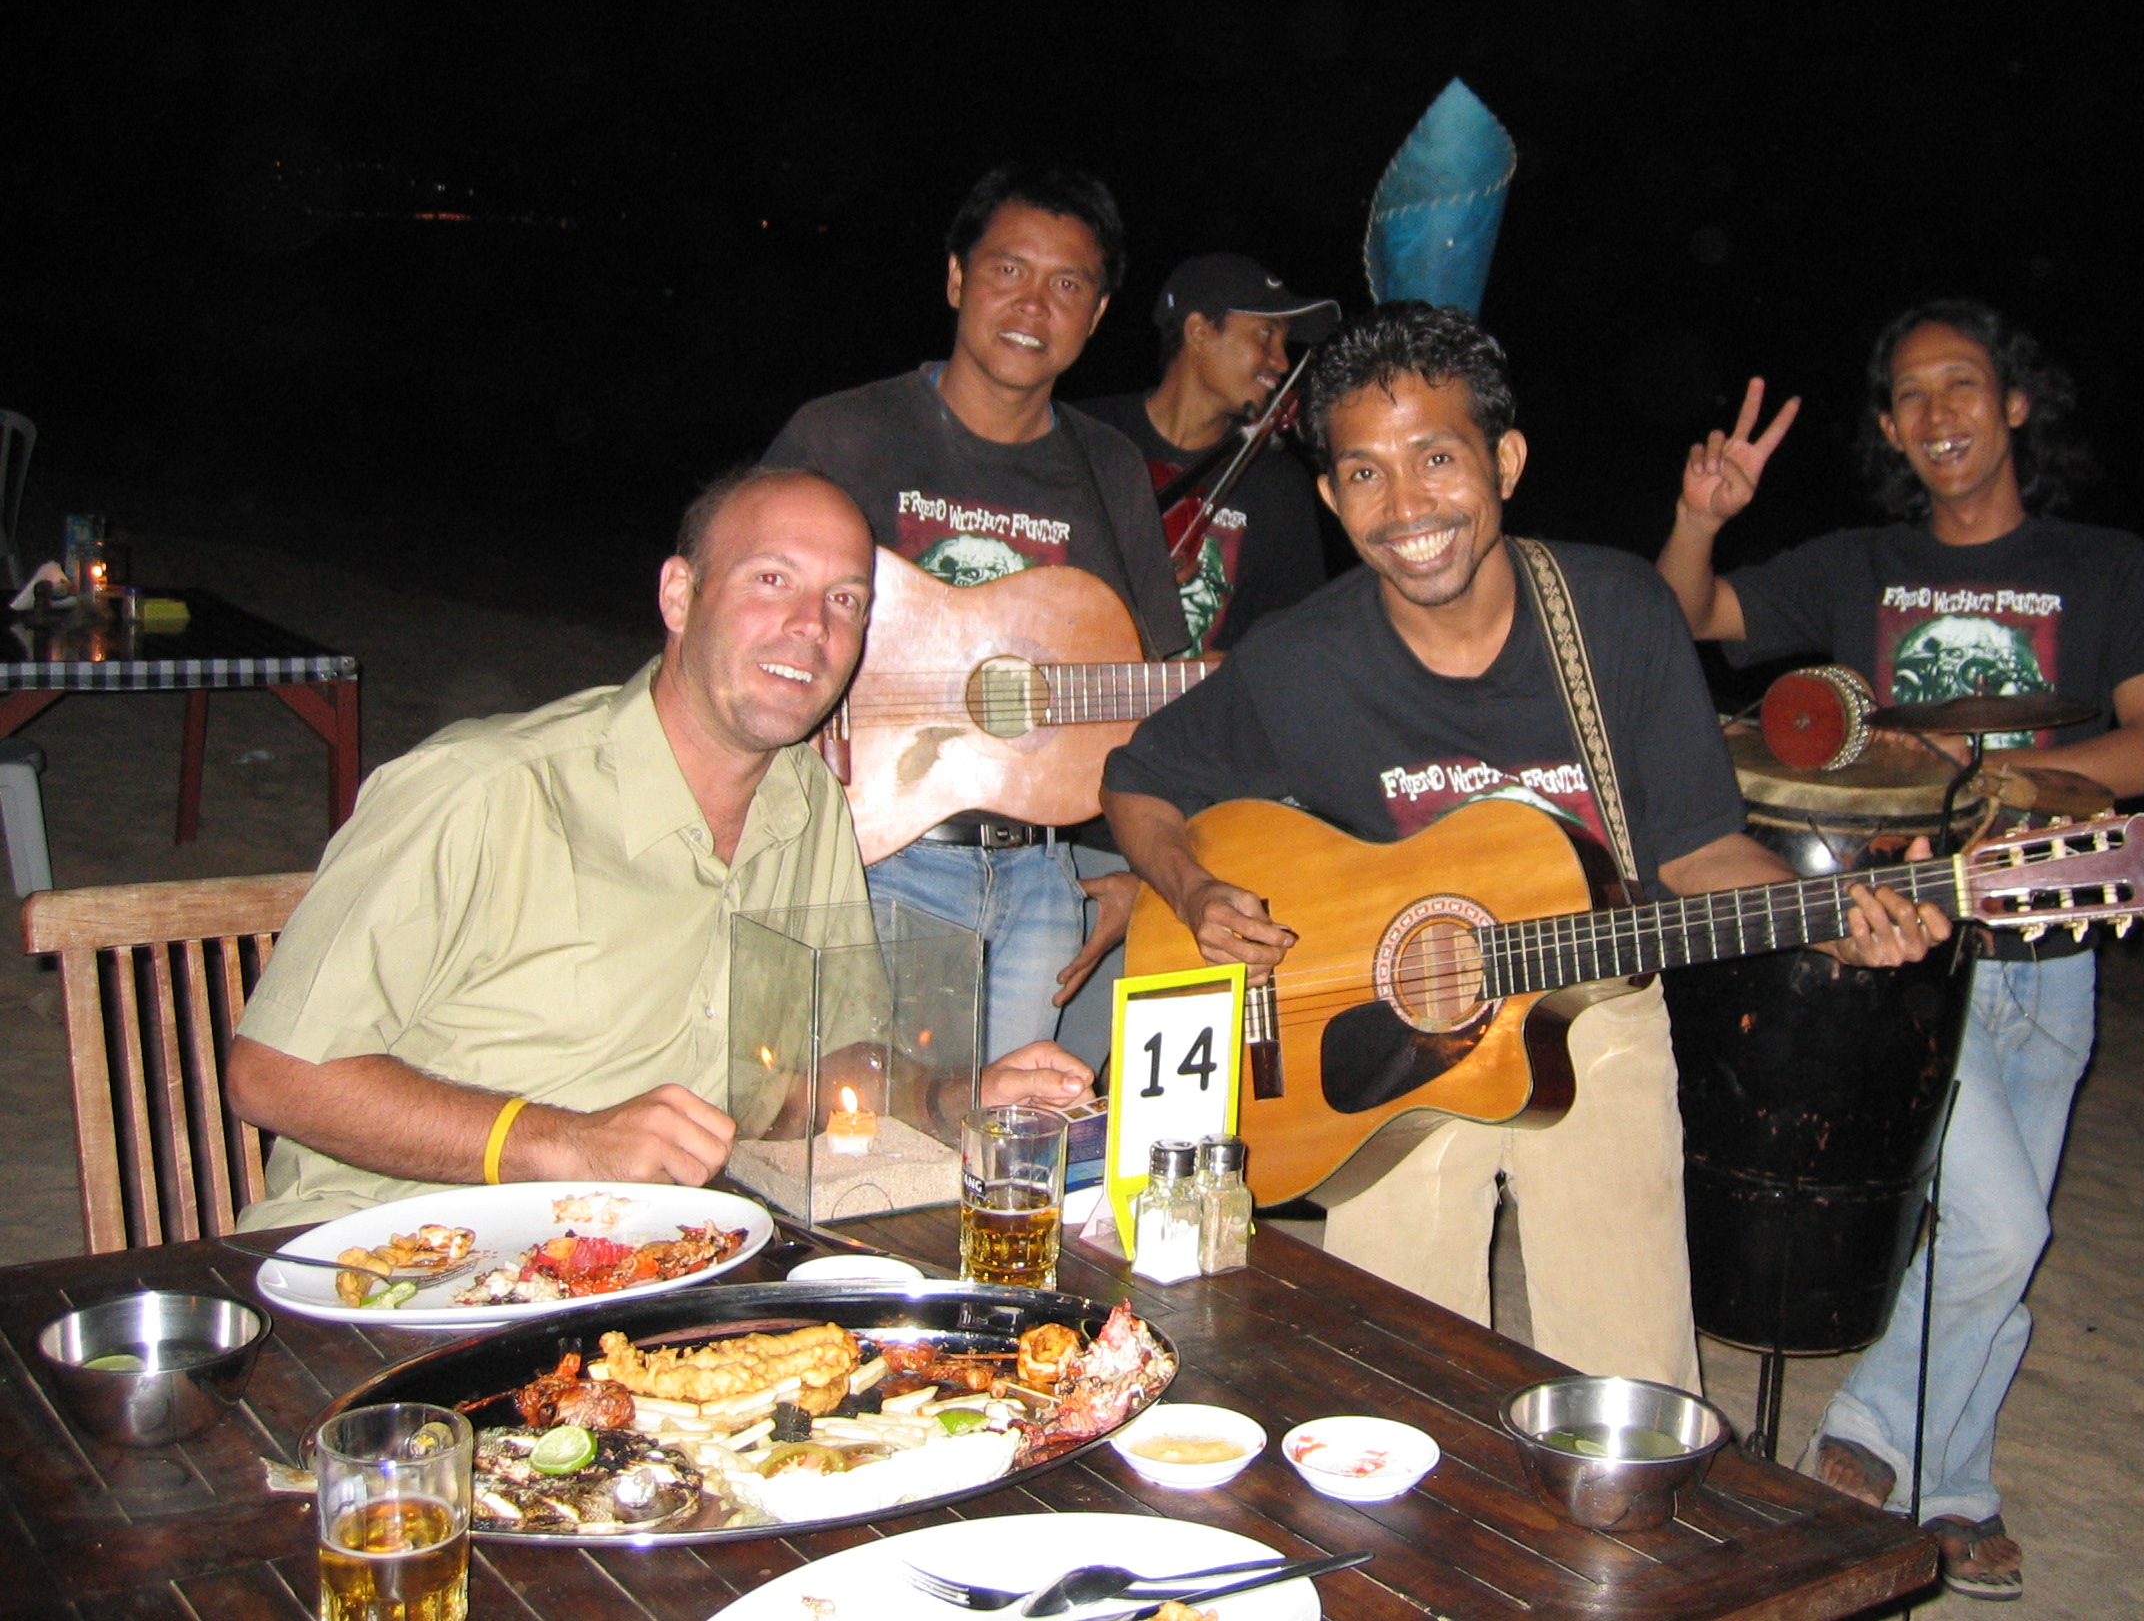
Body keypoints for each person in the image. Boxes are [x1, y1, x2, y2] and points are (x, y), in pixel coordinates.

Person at [1103, 303, 1949, 1391]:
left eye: (1437, 459)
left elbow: (1698, 853)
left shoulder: (1616, 614)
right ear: (1329, 497)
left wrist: (1830, 923)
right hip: (1378, 1039)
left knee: (1629, 1384)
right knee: (1393, 1390)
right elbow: (1137, 781)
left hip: (1594, 1008)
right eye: (1363, 473)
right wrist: (1194, 888)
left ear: (1503, 461)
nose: (1405, 507)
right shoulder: (1300, 657)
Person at [1656, 299, 2144, 1600]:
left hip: (2050, 940)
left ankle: (1940, 1472)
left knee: (1990, 1235)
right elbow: (1688, 616)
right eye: (1910, 396)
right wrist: (1700, 515)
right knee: (2002, 1232)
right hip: (1905, 946)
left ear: (2015, 402)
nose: (1937, 412)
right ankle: (1891, 1443)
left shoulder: (2111, 567)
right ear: (1892, 430)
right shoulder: (1860, 565)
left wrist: (1974, 765)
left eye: (1962, 384)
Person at [225, 467, 1094, 1226]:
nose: (811, 626)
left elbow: (814, 1073)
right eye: (771, 580)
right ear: (679, 597)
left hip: (647, 1266)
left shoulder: (808, 807)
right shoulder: (488, 790)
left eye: (845, 601)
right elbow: (274, 1073)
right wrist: (564, 1142)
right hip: (392, 1257)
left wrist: (955, 1097)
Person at [764, 166, 1189, 1064]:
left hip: (1041, 879)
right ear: (957, 277)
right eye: (1009, 270)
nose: (1034, 305)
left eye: (1067, 285)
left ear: (1097, 315)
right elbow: (742, 617)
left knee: (1012, 1133)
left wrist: (1136, 872)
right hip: (871, 856)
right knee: (873, 1127)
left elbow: (1157, 692)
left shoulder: (1109, 469)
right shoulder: (843, 434)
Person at [1072, 252, 1339, 652]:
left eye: (1285, 343)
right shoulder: (1084, 437)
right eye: (1265, 335)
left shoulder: (1279, 484)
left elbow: (1296, 641)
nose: (1283, 362)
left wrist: (1232, 668)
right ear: (1198, 332)